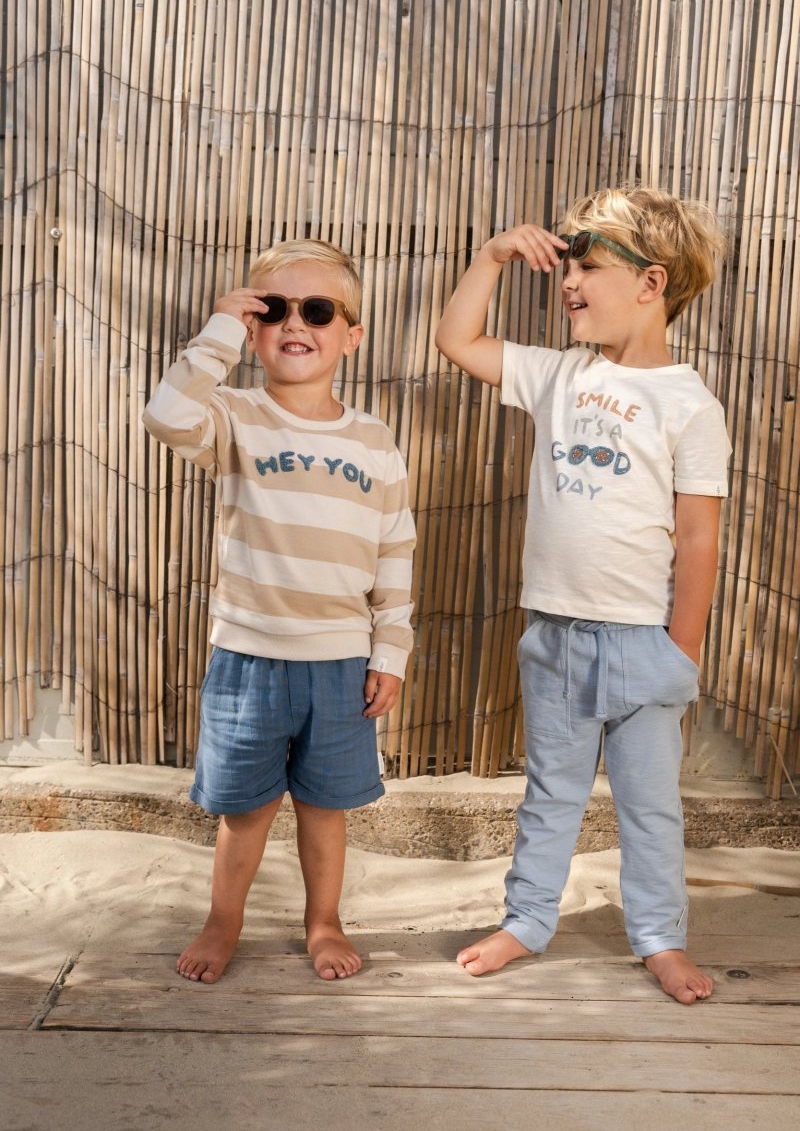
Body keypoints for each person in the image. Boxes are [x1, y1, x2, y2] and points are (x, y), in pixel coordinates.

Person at [434, 187, 730, 1004]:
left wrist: (681, 651)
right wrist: (492, 256)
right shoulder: (559, 374)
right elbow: (457, 340)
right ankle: (527, 922)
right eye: (567, 268)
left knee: (649, 807)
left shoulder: (690, 406)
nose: (568, 283)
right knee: (550, 796)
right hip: (555, 637)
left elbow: (698, 538)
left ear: (651, 283)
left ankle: (661, 938)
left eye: (589, 267)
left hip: (643, 645)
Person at [143, 240, 415, 984]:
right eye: (274, 310)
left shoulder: (374, 440)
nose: (296, 323)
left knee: (325, 810)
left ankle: (324, 922)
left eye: (319, 310)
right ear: (254, 330)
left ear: (352, 336)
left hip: (340, 663)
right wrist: (220, 330)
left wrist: (390, 653)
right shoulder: (234, 415)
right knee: (247, 812)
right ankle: (222, 921)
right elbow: (165, 417)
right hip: (250, 659)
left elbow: (395, 551)